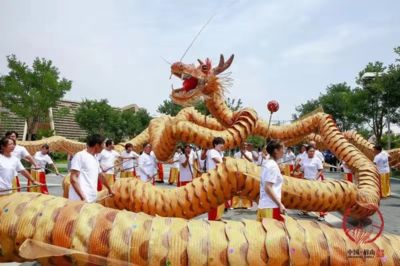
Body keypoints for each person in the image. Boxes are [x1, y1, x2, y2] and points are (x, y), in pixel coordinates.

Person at [69, 134, 113, 203]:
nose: (104, 147)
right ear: (97, 145)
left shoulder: (95, 158)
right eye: (103, 144)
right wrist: (83, 197)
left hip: (91, 198)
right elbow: (73, 179)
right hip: (79, 200)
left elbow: (101, 176)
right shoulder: (80, 156)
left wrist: (109, 189)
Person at [257, 140, 286, 222]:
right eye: (282, 149)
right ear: (276, 151)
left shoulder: (268, 163)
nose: (284, 151)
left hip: (265, 206)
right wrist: (279, 204)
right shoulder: (272, 166)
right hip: (271, 206)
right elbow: (268, 187)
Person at [201, 137, 226, 221]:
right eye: (221, 144)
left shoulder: (220, 152)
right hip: (212, 178)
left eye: (223, 144)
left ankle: (218, 216)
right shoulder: (212, 151)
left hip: (218, 178)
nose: (222, 145)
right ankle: (212, 217)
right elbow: (219, 162)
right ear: (215, 144)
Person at [300, 145, 325, 221]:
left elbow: (320, 170)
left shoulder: (317, 160)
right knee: (307, 197)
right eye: (310, 151)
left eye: (313, 151)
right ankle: (305, 211)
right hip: (307, 181)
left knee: (318, 198)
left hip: (315, 181)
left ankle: (321, 215)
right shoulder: (304, 159)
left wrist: (315, 178)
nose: (312, 152)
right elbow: (302, 169)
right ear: (307, 152)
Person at [232, 143, 253, 209]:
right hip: (239, 173)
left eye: (246, 145)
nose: (245, 146)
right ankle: (235, 204)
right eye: (243, 145)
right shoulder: (236, 154)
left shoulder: (249, 153)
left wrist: (244, 154)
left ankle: (246, 204)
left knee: (246, 188)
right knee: (237, 189)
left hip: (247, 172)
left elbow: (250, 160)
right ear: (240, 146)